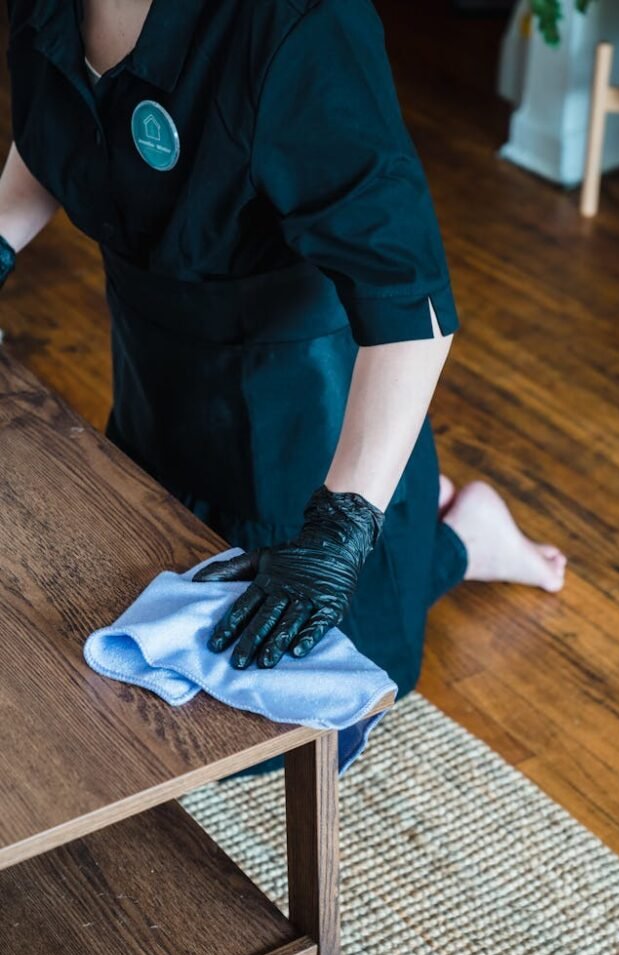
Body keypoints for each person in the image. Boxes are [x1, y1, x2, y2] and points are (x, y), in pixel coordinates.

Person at [0, 0, 565, 774]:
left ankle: (460, 541)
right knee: (127, 664)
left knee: (270, 730)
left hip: (302, 401)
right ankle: (452, 531)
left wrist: (337, 533)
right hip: (156, 369)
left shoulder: (301, 22)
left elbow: (411, 304)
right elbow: (62, 128)